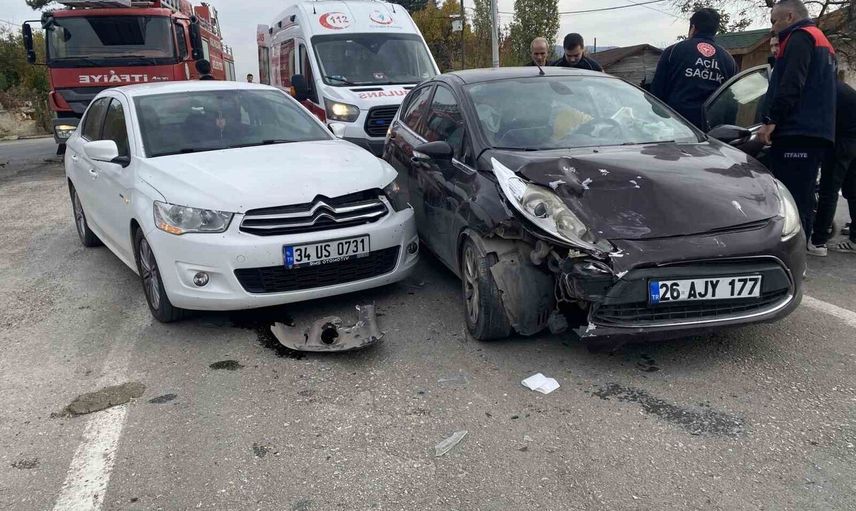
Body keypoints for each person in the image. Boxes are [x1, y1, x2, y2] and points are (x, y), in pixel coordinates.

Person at [758, 0, 837, 252]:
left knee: (791, 199)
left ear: (789, 16)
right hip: (815, 131)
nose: (773, 28)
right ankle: (799, 252)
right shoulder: (822, 40)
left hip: (797, 130)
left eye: (774, 21)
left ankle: (793, 255)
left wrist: (771, 120)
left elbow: (792, 83)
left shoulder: (800, 37)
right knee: (802, 196)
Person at [650, 8, 737, 130]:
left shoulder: (673, 51)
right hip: (710, 130)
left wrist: (660, 119)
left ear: (693, 28)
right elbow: (731, 101)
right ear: (715, 30)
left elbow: (656, 93)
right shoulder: (728, 60)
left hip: (675, 126)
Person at [809, 78, 856, 254]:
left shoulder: (825, 89)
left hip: (841, 143)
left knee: (828, 191)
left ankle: (819, 241)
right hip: (852, 141)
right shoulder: (842, 88)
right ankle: (854, 240)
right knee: (853, 191)